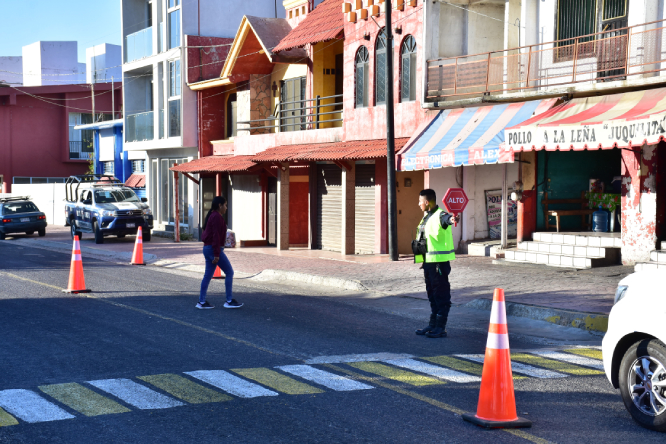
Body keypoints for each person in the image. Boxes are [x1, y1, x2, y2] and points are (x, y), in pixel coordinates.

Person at [412, 189, 459, 338]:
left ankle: (441, 327)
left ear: (426, 202)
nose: (418, 204)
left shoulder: (440, 215)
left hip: (438, 263)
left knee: (441, 295)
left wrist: (453, 219)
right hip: (429, 264)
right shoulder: (426, 217)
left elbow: (448, 219)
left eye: (420, 201)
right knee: (432, 295)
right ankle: (432, 325)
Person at [198, 196, 243, 309]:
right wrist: (217, 254)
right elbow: (216, 236)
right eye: (225, 205)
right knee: (229, 272)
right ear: (220, 205)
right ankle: (229, 300)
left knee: (208, 275)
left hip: (207, 248)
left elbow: (207, 234)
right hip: (213, 249)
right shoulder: (217, 217)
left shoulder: (211, 215)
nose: (226, 208)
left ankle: (201, 302)